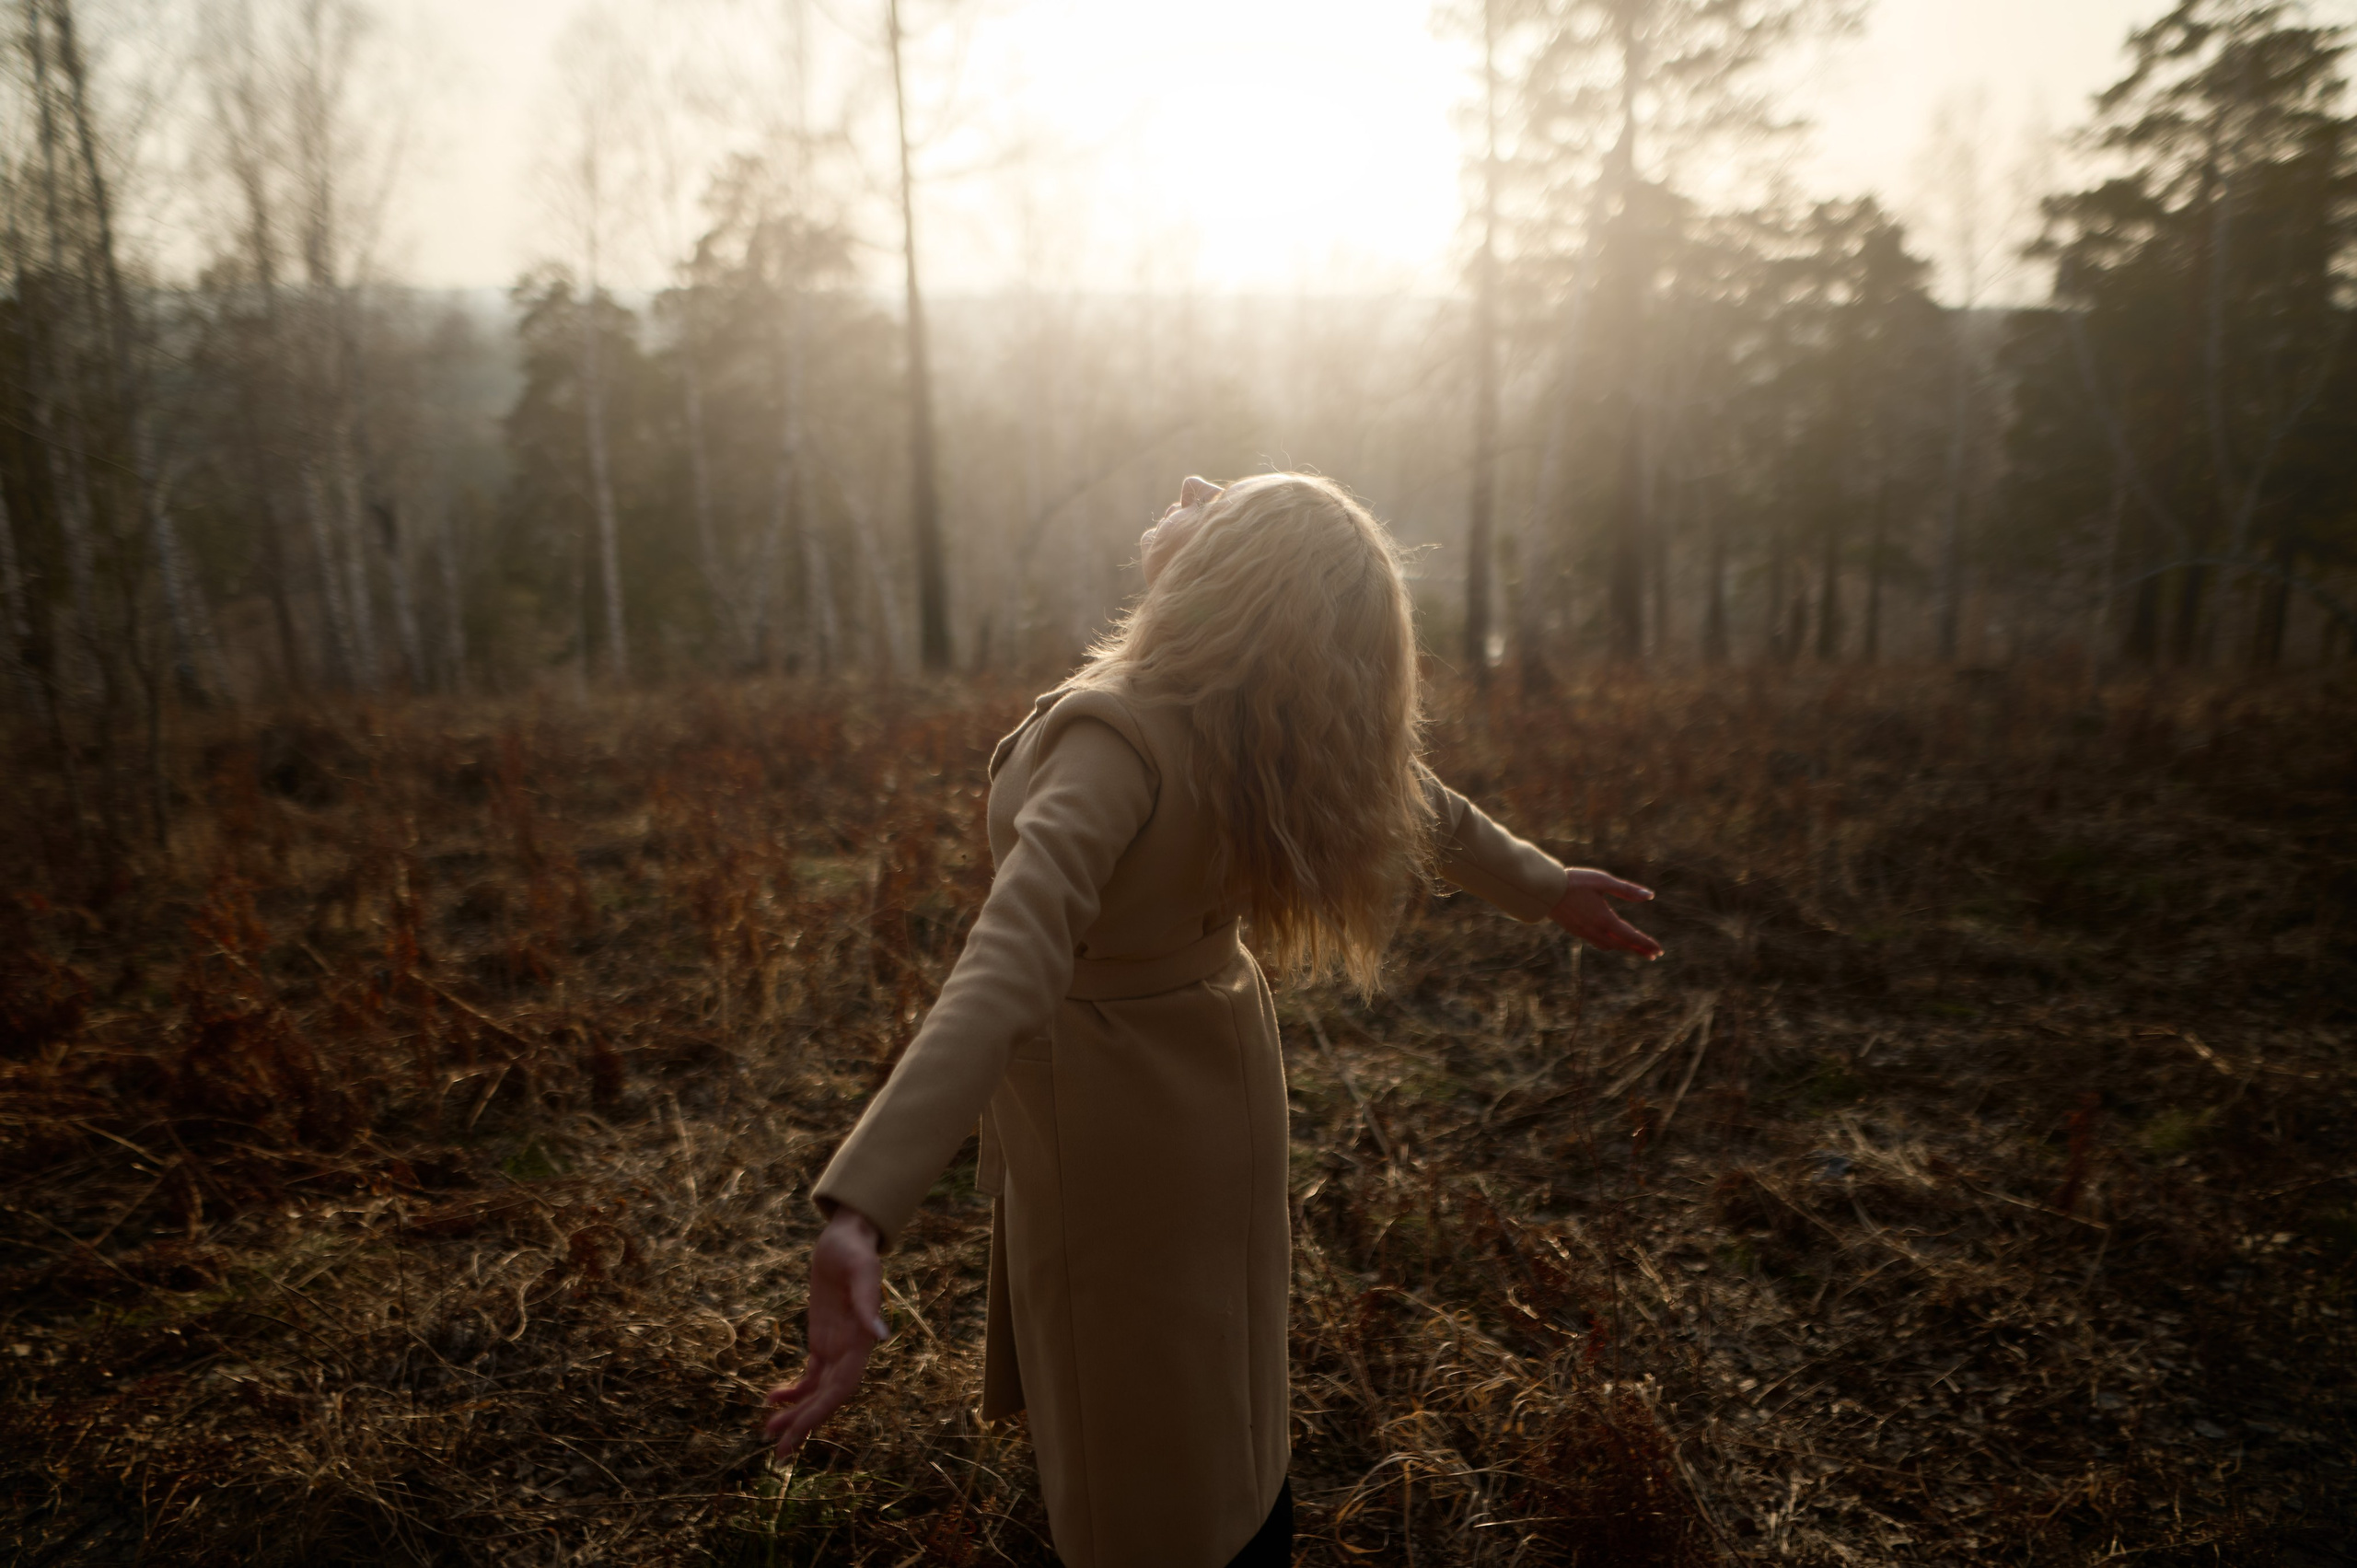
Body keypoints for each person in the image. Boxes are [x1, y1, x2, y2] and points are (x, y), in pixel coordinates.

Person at [762, 473, 1661, 1568]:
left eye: (1220, 500)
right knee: (1212, 1373)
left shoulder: (1124, 734)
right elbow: (1410, 790)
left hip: (1116, 1115)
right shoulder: (1251, 711)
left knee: (1135, 1437)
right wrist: (1537, 881)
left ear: (1229, 574)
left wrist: (862, 1206)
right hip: (1216, 1074)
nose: (1191, 485)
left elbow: (1009, 957)